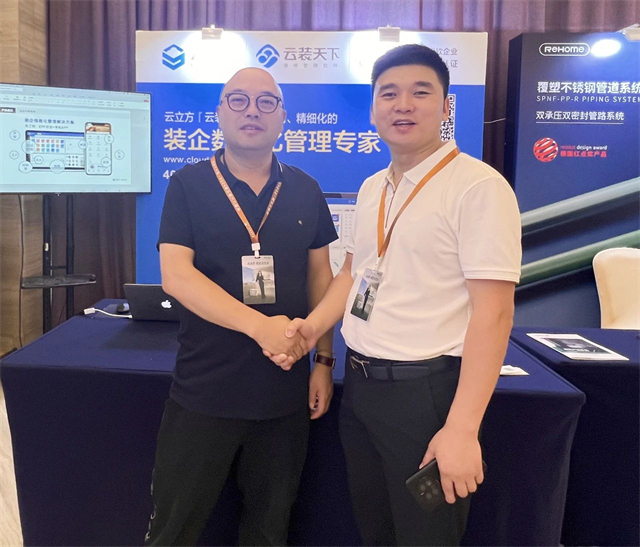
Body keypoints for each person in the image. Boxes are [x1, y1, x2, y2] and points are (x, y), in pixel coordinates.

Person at [269, 44, 522, 546]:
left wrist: (462, 429)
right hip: (361, 386)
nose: (402, 105)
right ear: (372, 109)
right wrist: (310, 330)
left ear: (446, 107)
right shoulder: (373, 188)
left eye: (420, 92)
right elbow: (352, 273)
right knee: (377, 530)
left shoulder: (478, 188)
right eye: (388, 94)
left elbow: (494, 315)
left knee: (425, 537)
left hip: (425, 394)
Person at [144, 67, 337, 546]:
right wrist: (259, 327)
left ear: (283, 117)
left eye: (267, 102)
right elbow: (176, 275)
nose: (253, 111)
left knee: (270, 530)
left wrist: (324, 361)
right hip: (204, 389)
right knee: (174, 528)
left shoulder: (306, 189)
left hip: (283, 395)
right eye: (238, 100)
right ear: (219, 113)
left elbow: (321, 278)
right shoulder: (187, 184)